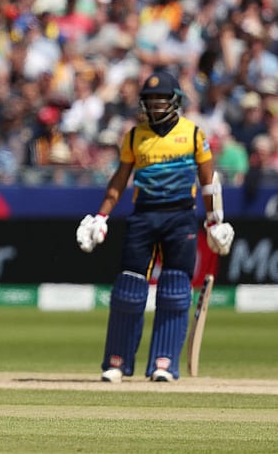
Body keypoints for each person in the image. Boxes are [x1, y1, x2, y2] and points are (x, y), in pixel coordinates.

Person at [76, 71, 235, 384]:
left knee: (175, 291)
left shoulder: (193, 134)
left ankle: (164, 363)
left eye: (161, 99)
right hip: (144, 216)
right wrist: (101, 216)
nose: (155, 105)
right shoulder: (135, 136)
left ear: (174, 100)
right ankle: (117, 362)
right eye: (149, 100)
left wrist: (215, 220)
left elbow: (208, 182)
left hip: (180, 217)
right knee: (128, 290)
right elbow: (120, 180)